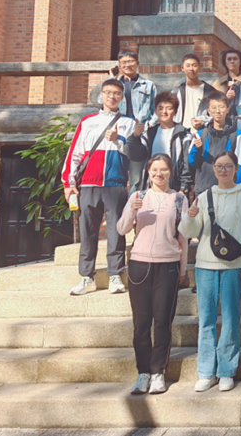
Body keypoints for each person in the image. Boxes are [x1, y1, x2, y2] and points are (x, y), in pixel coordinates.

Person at [179, 151, 241, 393]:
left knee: (232, 318)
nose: (223, 170)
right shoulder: (204, 196)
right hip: (205, 265)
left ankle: (226, 371)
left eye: (228, 166)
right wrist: (190, 216)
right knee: (206, 319)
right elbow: (189, 231)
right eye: (219, 166)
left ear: (236, 169)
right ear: (213, 169)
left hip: (234, 266)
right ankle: (206, 372)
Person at [63, 78, 144, 296]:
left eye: (117, 93)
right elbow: (75, 153)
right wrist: (69, 184)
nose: (112, 96)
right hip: (88, 184)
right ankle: (86, 277)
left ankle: (115, 275)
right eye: (108, 92)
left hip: (116, 184)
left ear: (122, 97)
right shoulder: (87, 121)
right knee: (87, 232)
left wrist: (119, 139)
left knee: (116, 232)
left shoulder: (130, 123)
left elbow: (137, 155)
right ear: (101, 95)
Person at [117, 154, 189, 395]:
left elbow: (183, 238)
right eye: (154, 170)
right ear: (148, 172)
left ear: (170, 172)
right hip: (139, 264)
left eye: (163, 169)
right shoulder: (137, 196)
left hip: (168, 264)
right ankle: (143, 373)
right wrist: (132, 211)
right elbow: (121, 229)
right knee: (141, 324)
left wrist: (182, 268)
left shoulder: (179, 199)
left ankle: (158, 372)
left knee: (162, 322)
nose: (159, 174)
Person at [112, 49, 156, 192]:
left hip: (138, 133)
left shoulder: (148, 85)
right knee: (116, 172)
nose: (127, 65)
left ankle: (133, 203)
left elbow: (156, 108)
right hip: (118, 131)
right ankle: (119, 203)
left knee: (136, 177)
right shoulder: (115, 85)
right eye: (123, 62)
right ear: (119, 65)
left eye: (130, 61)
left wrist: (149, 124)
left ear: (137, 63)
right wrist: (111, 79)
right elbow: (101, 100)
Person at [188, 91, 241, 197]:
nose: (218, 111)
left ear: (228, 109)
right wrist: (196, 148)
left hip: (228, 191)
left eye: (221, 107)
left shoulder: (237, 135)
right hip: (203, 190)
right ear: (208, 111)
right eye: (214, 107)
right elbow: (192, 163)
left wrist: (237, 189)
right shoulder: (201, 134)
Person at [137, 91, 193, 196]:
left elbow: (187, 163)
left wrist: (184, 188)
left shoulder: (184, 134)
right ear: (155, 111)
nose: (164, 112)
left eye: (169, 108)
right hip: (151, 187)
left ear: (175, 112)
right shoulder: (149, 134)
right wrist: (134, 137)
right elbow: (136, 155)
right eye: (160, 108)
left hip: (174, 188)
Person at [173, 53, 215, 130]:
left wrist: (202, 123)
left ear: (199, 67)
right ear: (182, 68)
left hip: (202, 133)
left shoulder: (210, 91)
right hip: (182, 133)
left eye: (194, 65)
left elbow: (215, 115)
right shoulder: (176, 92)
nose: (191, 69)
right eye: (188, 66)